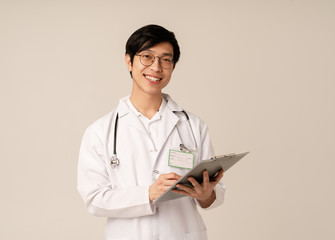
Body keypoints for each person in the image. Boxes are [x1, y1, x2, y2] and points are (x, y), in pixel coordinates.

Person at [77, 24, 225, 240]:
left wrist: (206, 195)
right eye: (147, 57)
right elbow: (94, 199)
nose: (156, 67)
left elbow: (214, 194)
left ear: (172, 67)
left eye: (166, 60)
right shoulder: (100, 132)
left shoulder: (193, 126)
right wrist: (147, 194)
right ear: (129, 61)